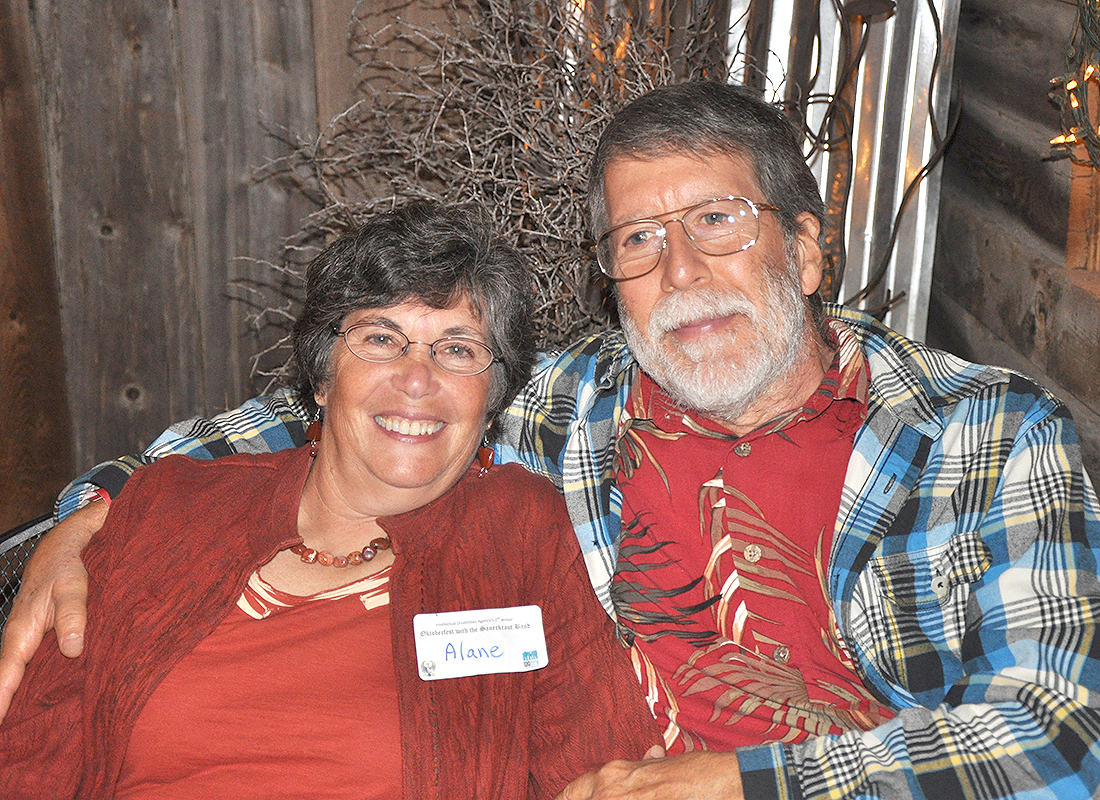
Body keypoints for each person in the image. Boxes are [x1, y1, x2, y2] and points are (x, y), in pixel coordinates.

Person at [4, 81, 1100, 800]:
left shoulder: (985, 431)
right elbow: (335, 413)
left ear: (807, 251)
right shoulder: (563, 400)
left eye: (715, 221)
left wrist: (754, 778)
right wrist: (91, 512)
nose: (678, 270)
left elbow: (1058, 736)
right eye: (637, 239)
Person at [0, 202, 658, 799]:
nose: (416, 377)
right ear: (321, 377)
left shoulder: (517, 529)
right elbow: (31, 762)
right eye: (380, 338)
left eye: (457, 349)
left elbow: (605, 771)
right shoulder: (169, 505)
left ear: (491, 401)